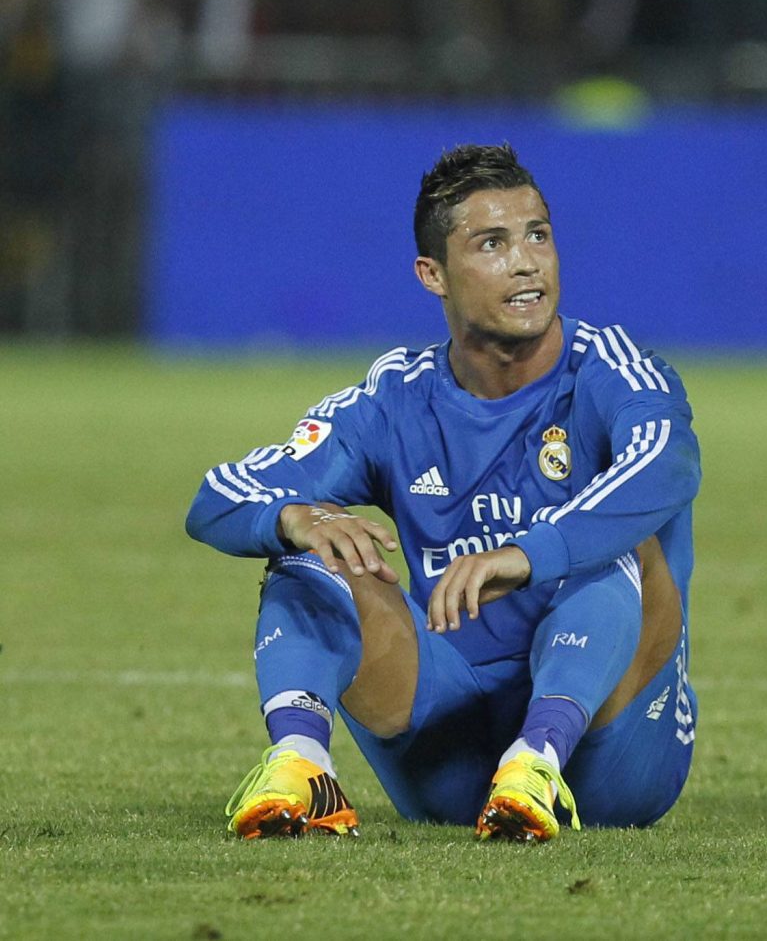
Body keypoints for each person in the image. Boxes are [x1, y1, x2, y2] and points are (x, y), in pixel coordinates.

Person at [188, 144, 700, 841]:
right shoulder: (394, 397)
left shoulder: (607, 369)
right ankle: (300, 764)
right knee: (314, 550)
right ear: (433, 275)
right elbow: (217, 497)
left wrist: (527, 554)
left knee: (614, 546)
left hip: (610, 757)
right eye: (492, 243)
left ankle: (537, 759)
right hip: (449, 746)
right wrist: (293, 516)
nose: (527, 262)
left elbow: (667, 463)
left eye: (538, 235)